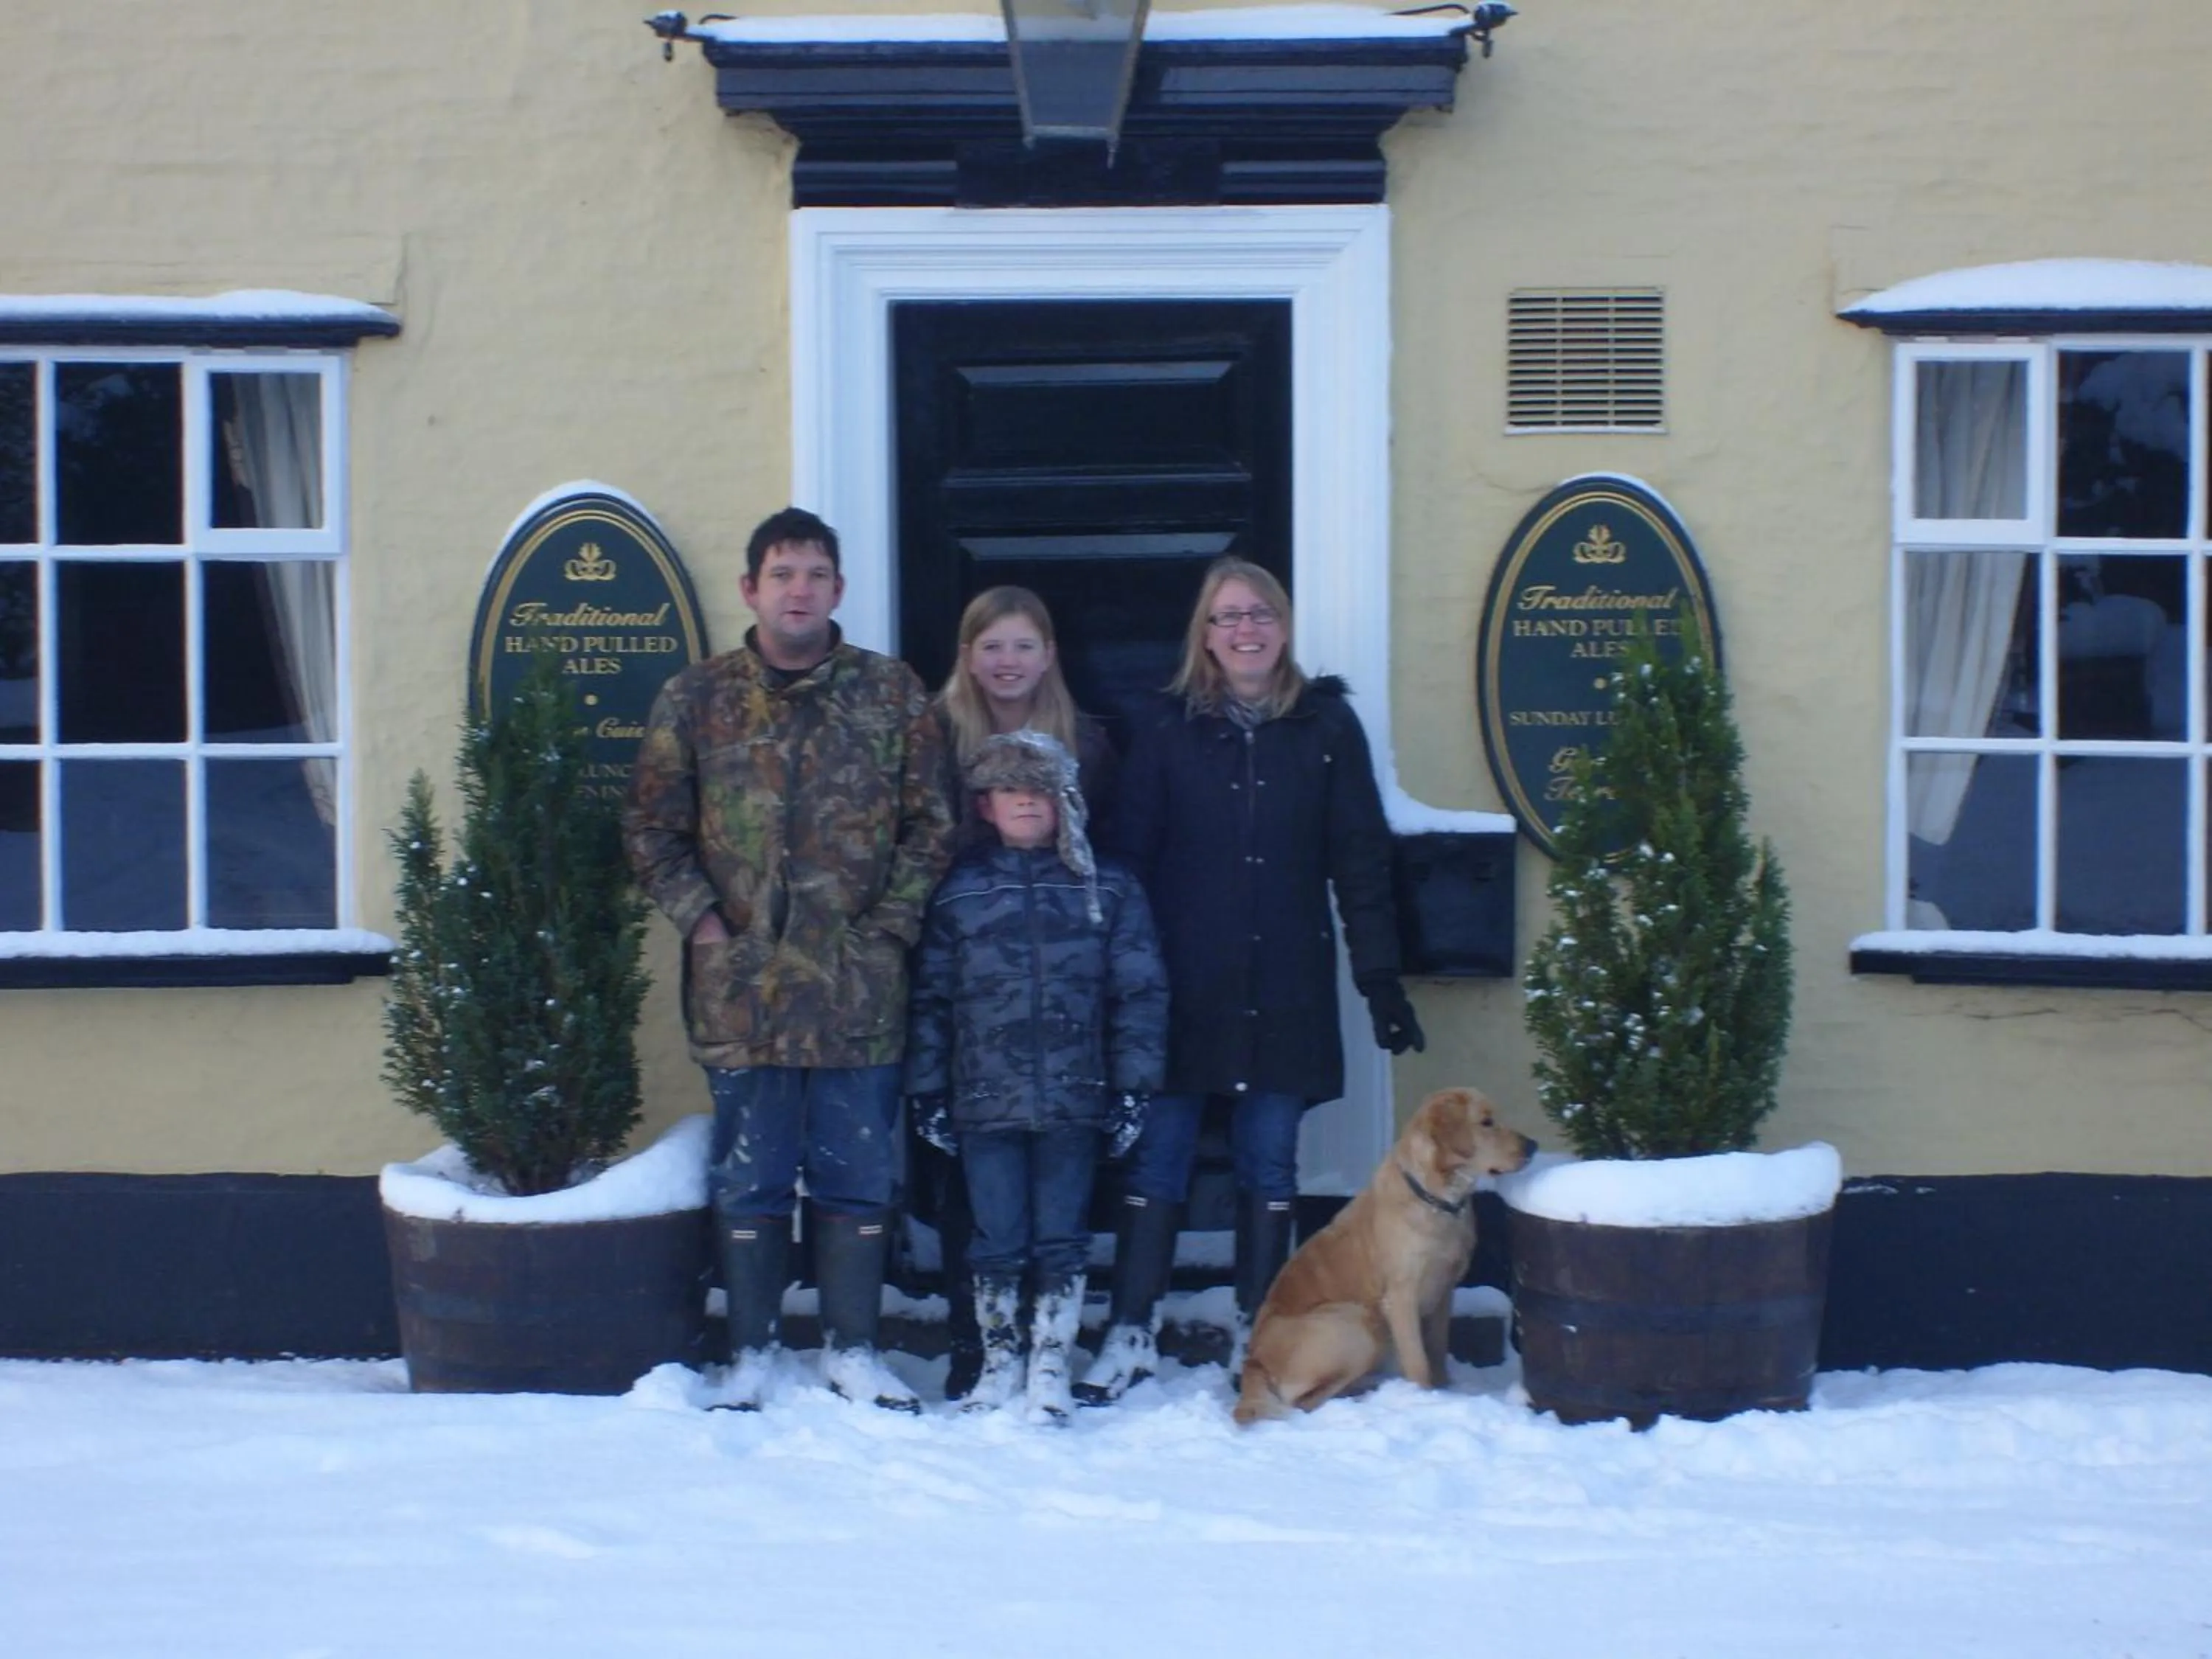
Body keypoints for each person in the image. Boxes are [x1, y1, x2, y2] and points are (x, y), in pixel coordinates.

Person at [623, 506, 956, 1413]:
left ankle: (854, 1349)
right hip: (743, 993)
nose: (799, 589)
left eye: (815, 574)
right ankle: (755, 1356)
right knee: (752, 1176)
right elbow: (651, 826)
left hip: (857, 987)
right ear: (750, 590)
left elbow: (934, 827)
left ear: (839, 590)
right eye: (782, 574)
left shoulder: (893, 696)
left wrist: (890, 924)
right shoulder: (698, 700)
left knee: (856, 1174)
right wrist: (700, 923)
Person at [1074, 556, 1425, 1407]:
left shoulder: (1327, 727)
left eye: (1260, 613)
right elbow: (1126, 861)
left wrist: (1380, 980)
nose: (1246, 630)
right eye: (1228, 617)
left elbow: (1361, 861)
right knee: (1157, 1161)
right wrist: (1112, 981)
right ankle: (1130, 1329)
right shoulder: (1162, 729)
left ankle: (1258, 1326)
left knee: (1270, 1164)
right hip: (1178, 988)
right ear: (1206, 633)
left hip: (1286, 984)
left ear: (1285, 626)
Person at [904, 730, 1168, 1421]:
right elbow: (929, 998)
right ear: (985, 806)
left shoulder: (1104, 888)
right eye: (1009, 791)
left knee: (1062, 1236)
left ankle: (1051, 1362)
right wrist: (927, 1088)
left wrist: (1134, 1085)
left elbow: (1138, 992)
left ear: (1067, 802)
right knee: (996, 1238)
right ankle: (999, 1362)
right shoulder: (956, 895)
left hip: (1076, 1102)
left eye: (1040, 790)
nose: (1026, 802)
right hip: (983, 1102)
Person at [923, 585, 1120, 1400]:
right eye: (991, 646)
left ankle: (1048, 1344)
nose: (1007, 662)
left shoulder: (1095, 746)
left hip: (1063, 1007)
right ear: (968, 656)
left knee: (1056, 1190)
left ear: (1049, 657)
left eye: (1024, 646)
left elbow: (1109, 869)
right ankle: (978, 1341)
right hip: (966, 981)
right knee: (971, 1183)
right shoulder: (931, 741)